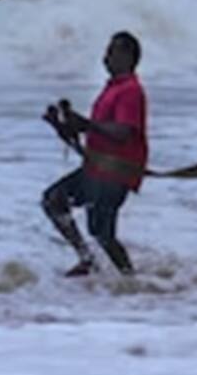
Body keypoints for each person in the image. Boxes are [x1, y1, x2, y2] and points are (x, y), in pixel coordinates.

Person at [40, 32, 148, 277]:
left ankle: (130, 278)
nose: (105, 58)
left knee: (103, 234)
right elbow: (93, 132)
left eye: (111, 52)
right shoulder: (112, 89)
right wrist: (60, 125)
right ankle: (87, 259)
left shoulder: (130, 91)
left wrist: (86, 124)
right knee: (54, 200)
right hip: (97, 168)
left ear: (128, 57)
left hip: (115, 172)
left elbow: (122, 132)